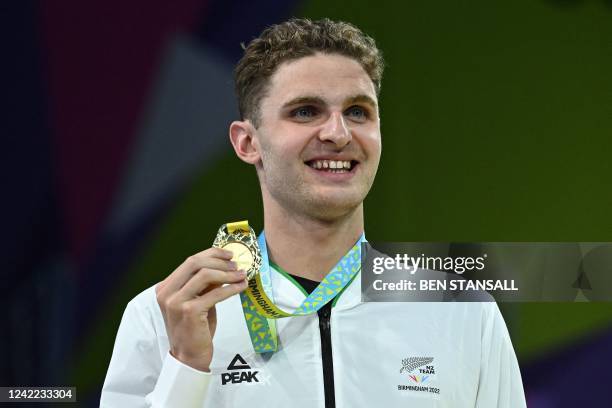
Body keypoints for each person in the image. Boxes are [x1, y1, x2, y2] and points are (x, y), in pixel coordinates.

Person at [101, 18, 526, 407]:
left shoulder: (463, 313)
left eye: (358, 112)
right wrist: (187, 368)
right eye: (306, 111)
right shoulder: (164, 316)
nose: (338, 134)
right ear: (247, 143)